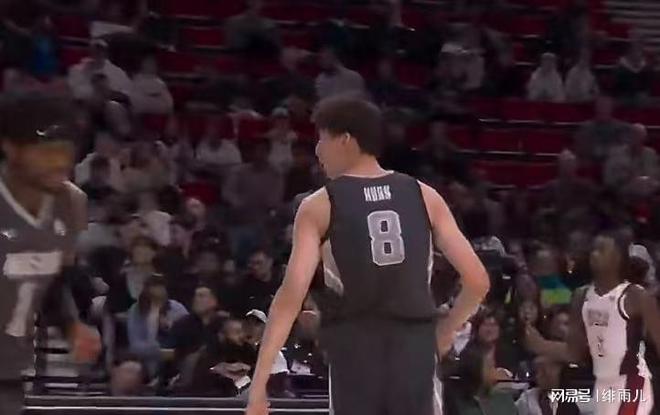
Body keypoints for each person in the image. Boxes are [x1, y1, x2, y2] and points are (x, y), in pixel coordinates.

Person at [245, 96, 490, 415]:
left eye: (322, 139)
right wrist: (447, 329)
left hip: (354, 351)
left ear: (345, 140)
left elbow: (290, 297)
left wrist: (258, 385)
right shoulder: (424, 195)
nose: (317, 150)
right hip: (415, 350)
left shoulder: (320, 205)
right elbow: (478, 281)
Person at [0, 94, 101, 414]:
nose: (59, 162)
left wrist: (71, 326)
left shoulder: (71, 203)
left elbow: (53, 278)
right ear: (10, 148)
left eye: (65, 151)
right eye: (46, 152)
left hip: (9, 371)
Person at [526, 230, 660, 415]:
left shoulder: (637, 297)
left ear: (618, 258)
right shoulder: (580, 296)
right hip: (598, 386)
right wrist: (541, 345)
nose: (594, 254)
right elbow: (574, 352)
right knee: (557, 399)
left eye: (602, 250)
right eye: (594, 249)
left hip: (631, 384)